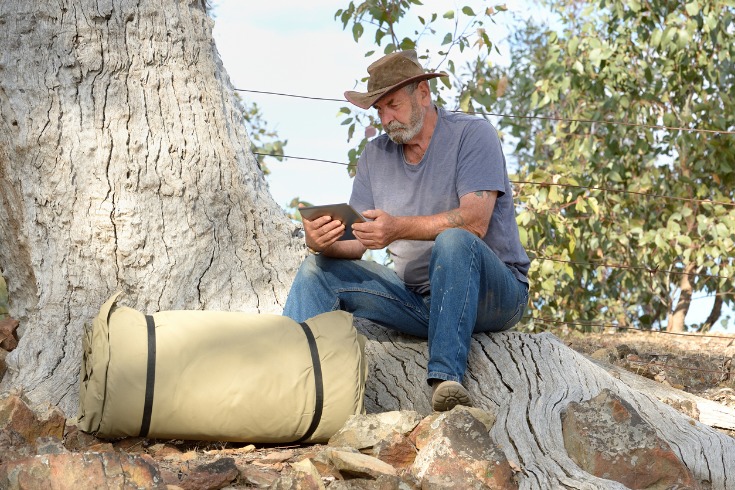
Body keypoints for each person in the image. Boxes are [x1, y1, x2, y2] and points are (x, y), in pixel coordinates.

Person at [283, 49, 530, 412]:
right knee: (315, 270)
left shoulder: (473, 134)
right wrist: (321, 241)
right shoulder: (373, 156)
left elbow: (475, 222)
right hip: (418, 301)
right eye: (379, 110)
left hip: (494, 296)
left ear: (424, 94)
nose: (386, 118)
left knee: (455, 240)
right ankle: (283, 375)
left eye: (393, 105)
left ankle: (445, 379)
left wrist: (397, 228)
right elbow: (356, 244)